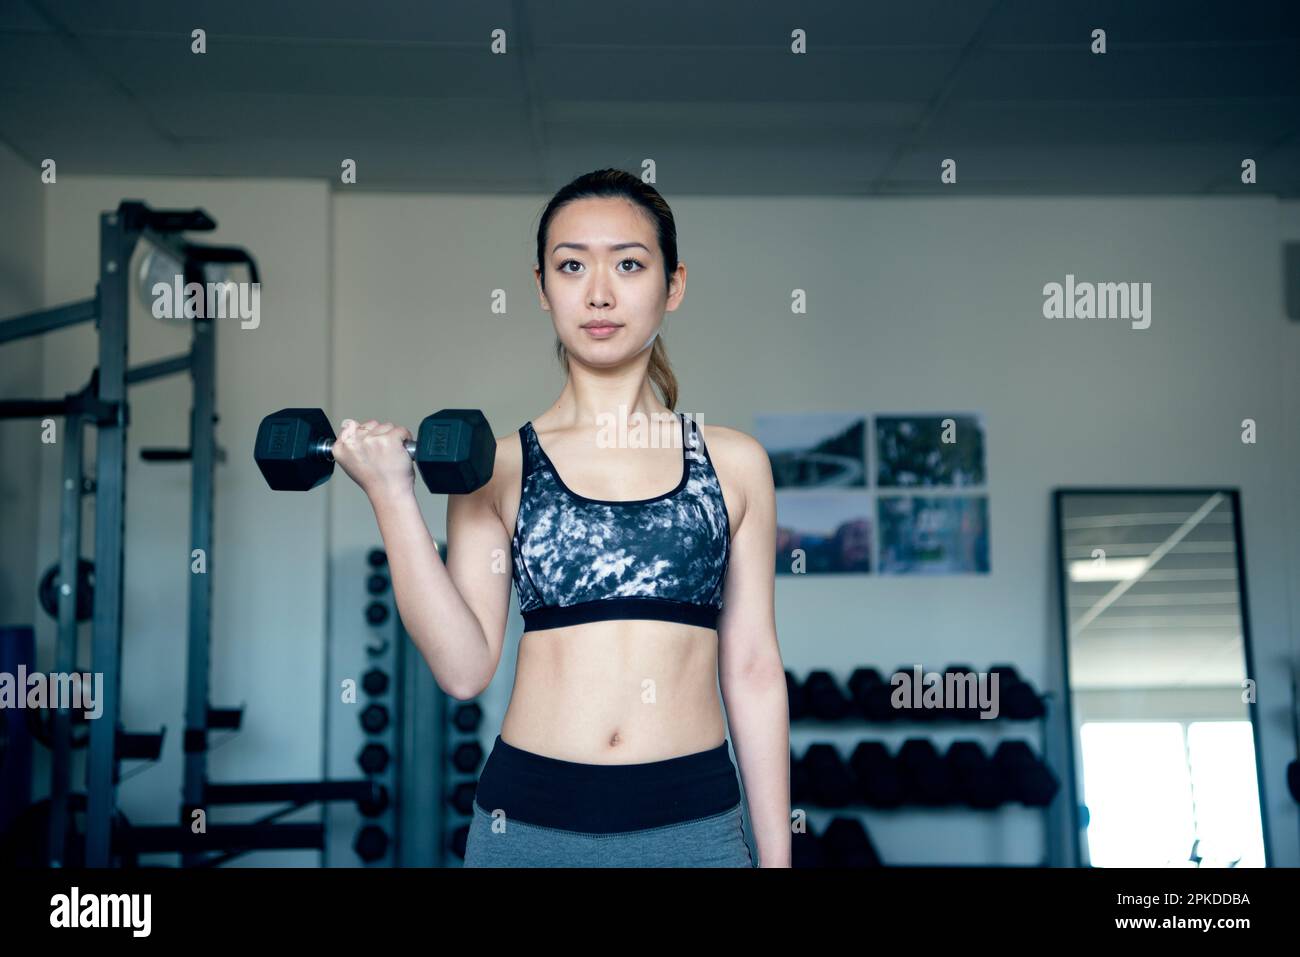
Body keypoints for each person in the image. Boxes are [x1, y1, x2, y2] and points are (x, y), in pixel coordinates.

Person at [332, 169, 790, 867]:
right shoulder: (496, 466)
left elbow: (754, 668)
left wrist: (778, 860)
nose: (599, 293)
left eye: (629, 264)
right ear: (543, 287)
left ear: (674, 285)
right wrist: (391, 496)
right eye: (571, 265)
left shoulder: (734, 464)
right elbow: (463, 667)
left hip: (694, 823)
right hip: (531, 824)